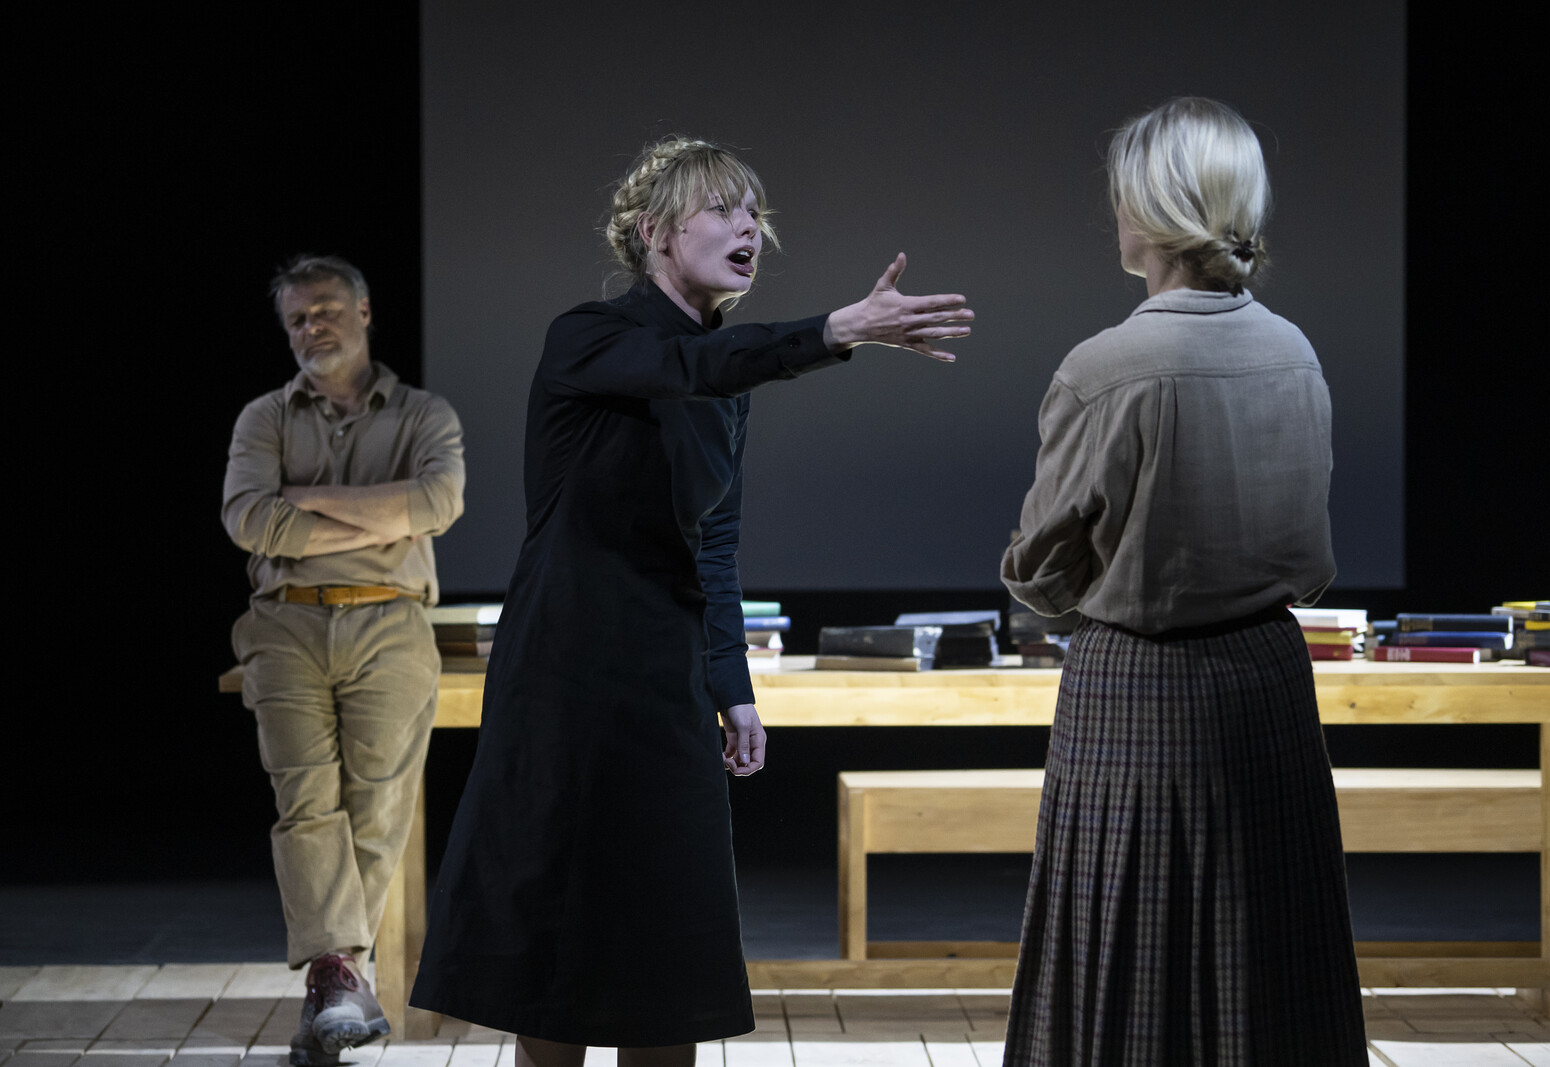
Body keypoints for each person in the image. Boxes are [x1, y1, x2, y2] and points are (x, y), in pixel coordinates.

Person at [410, 138, 973, 1064]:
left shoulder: (728, 379)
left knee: (668, 945)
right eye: (724, 209)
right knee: (557, 937)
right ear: (654, 231)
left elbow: (713, 540)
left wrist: (731, 684)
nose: (750, 229)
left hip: (664, 675)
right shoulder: (590, 337)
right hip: (566, 671)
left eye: (756, 214)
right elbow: (688, 367)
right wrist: (837, 329)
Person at [1000, 99, 1366, 1065]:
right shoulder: (1294, 352)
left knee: (1128, 956)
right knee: (1268, 951)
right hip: (1269, 676)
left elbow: (1039, 572)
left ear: (1159, 211)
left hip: (1137, 686)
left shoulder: (1106, 368)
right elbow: (1309, 552)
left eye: (1124, 194)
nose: (1114, 213)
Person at [222, 255, 465, 1067]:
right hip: (285, 622)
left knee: (379, 802)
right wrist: (383, 519)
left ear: (363, 311)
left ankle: (335, 982)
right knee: (306, 799)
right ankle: (341, 978)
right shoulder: (263, 417)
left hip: (391, 618)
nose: (311, 327)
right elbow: (250, 520)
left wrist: (306, 501)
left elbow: (438, 503)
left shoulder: (425, 414)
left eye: (324, 310)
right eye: (296, 318)